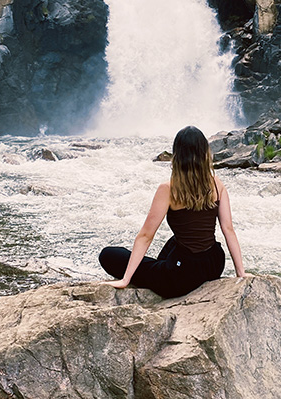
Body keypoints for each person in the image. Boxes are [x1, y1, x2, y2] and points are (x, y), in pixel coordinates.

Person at [99, 125, 247, 299]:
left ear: (177, 155)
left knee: (108, 254)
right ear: (205, 152)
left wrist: (126, 279)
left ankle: (157, 270)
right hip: (213, 264)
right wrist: (241, 273)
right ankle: (160, 266)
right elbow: (228, 228)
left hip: (181, 276)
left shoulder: (168, 189)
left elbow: (146, 235)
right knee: (175, 241)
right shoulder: (216, 183)